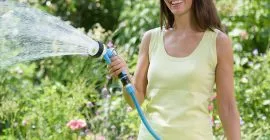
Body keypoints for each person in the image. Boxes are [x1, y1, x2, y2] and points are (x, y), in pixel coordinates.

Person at [109, 0, 241, 139]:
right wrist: (124, 73)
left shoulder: (218, 42)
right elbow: (135, 100)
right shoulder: (151, 38)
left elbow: (228, 108)